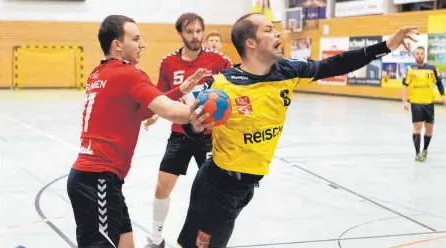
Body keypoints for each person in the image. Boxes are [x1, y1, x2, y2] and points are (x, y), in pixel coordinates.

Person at [178, 13, 420, 247]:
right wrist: (196, 129)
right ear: (250, 43)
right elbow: (192, 127)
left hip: (244, 188)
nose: (278, 33)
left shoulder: (288, 71)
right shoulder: (222, 85)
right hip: (217, 188)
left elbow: (336, 64)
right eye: (269, 30)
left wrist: (387, 45)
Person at [66, 15, 212, 248]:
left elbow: (137, 110)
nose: (142, 44)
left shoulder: (99, 74)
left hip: (97, 180)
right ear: (118, 45)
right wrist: (206, 112)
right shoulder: (129, 74)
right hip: (99, 180)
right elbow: (171, 112)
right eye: (135, 38)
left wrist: (178, 90)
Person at [142, 13, 232, 248]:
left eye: (198, 31)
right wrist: (152, 114)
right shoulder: (168, 63)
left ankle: (206, 240)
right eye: (189, 32)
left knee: (214, 191)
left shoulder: (218, 60)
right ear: (180, 33)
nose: (195, 36)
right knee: (162, 185)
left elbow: (234, 88)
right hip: (181, 134)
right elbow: (159, 96)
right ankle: (156, 238)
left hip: (210, 137)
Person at [401, 46, 446, 162]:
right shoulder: (410, 69)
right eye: (417, 53)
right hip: (416, 103)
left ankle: (425, 149)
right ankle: (417, 153)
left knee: (429, 129)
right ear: (414, 55)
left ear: (424, 55)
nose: (420, 55)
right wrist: (405, 101)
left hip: (429, 103)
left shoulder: (431, 69)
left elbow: (439, 83)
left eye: (422, 53)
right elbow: (404, 86)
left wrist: (442, 96)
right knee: (417, 126)